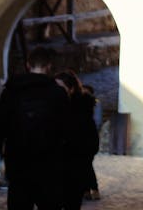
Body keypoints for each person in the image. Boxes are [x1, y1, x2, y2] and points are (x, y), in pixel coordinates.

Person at [0, 46, 69, 210]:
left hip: (19, 165)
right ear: (48, 66)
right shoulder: (58, 93)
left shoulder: (12, 91)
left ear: (28, 65)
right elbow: (68, 130)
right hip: (49, 166)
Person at [53, 70, 99, 210]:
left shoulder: (82, 112)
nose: (56, 91)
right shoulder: (53, 107)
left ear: (71, 89)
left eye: (60, 88)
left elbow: (92, 144)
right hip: (55, 171)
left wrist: (80, 161)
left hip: (74, 170)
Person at [82, 84, 102, 201]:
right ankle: (88, 190)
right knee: (86, 166)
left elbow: (98, 121)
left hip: (89, 139)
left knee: (86, 165)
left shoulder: (95, 104)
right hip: (87, 139)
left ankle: (93, 189)